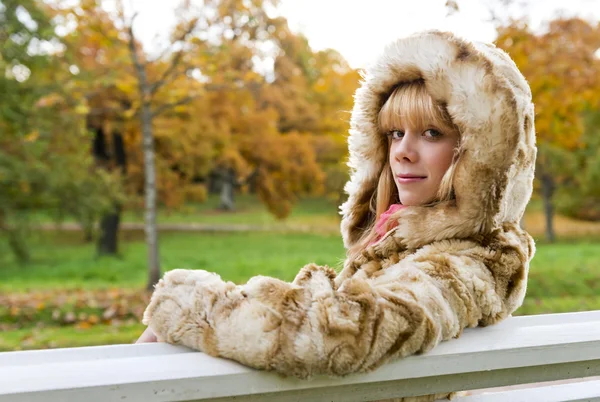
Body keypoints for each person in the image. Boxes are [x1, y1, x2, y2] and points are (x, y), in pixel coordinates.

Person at [137, 30, 536, 400]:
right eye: (395, 133)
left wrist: (191, 304)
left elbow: (338, 335)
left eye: (431, 133)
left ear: (482, 157)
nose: (402, 151)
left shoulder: (465, 267)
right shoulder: (405, 241)